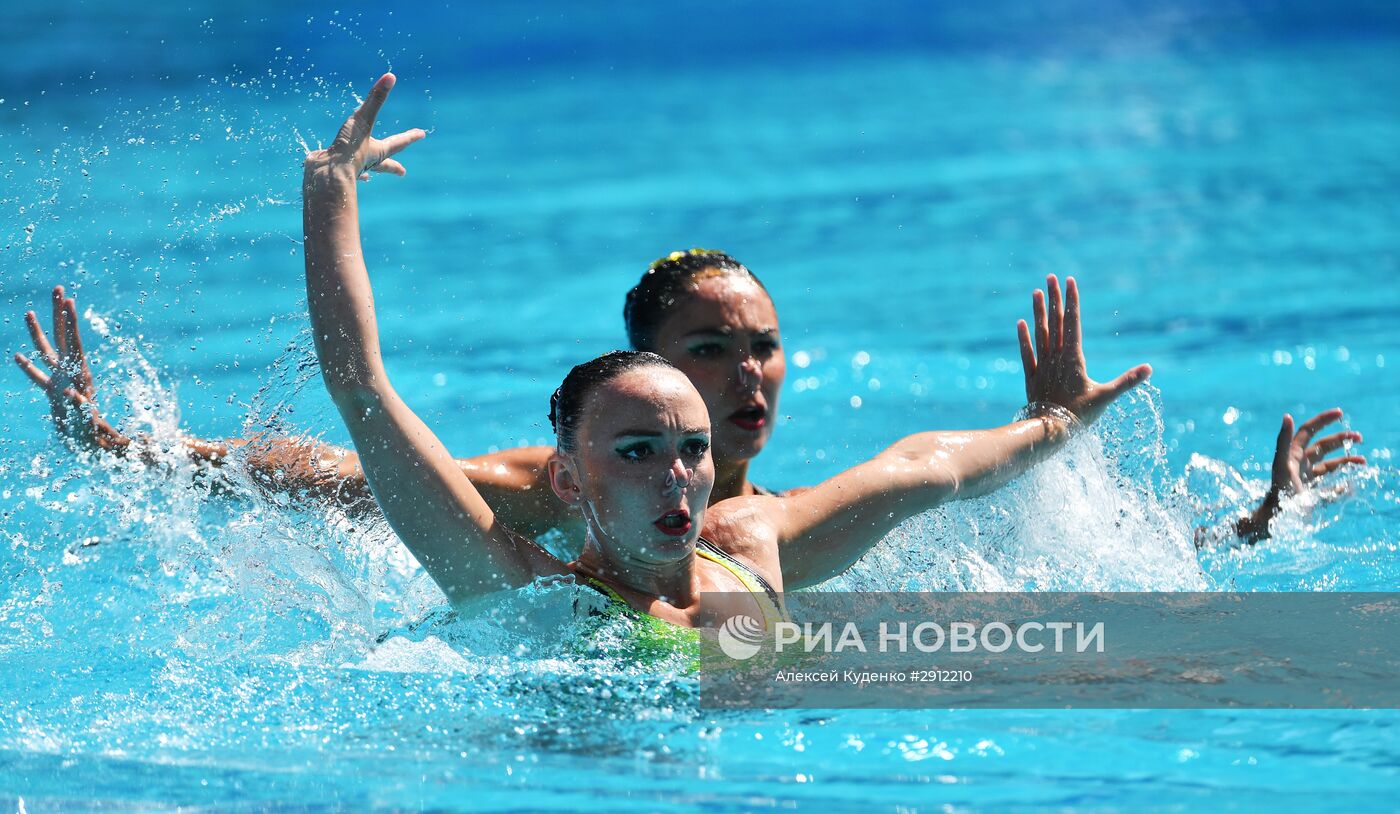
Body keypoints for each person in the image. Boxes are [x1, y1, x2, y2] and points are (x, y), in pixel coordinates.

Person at [13, 73, 1364, 566]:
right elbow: (344, 454)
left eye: (762, 341)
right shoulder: (545, 503)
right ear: (632, 386)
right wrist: (127, 446)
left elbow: (994, 505)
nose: (746, 370)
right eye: (710, 347)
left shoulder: (786, 526)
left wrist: (1243, 529)